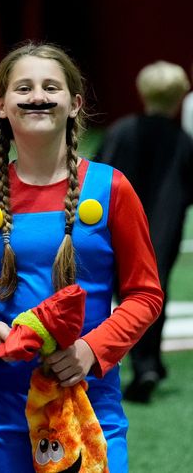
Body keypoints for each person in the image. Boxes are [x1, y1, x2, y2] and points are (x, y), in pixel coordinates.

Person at [0, 43, 164, 472]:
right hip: (3, 406)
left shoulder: (113, 188)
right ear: (0, 105)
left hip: (89, 397)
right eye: (24, 88)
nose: (38, 96)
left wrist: (90, 349)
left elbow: (145, 294)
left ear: (75, 103)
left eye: (51, 87)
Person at [96, 60, 193, 403]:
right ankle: (148, 363)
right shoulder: (182, 140)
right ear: (180, 96)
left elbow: (96, 172)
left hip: (115, 226)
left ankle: (115, 359)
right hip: (162, 231)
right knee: (153, 293)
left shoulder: (121, 131)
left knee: (118, 294)